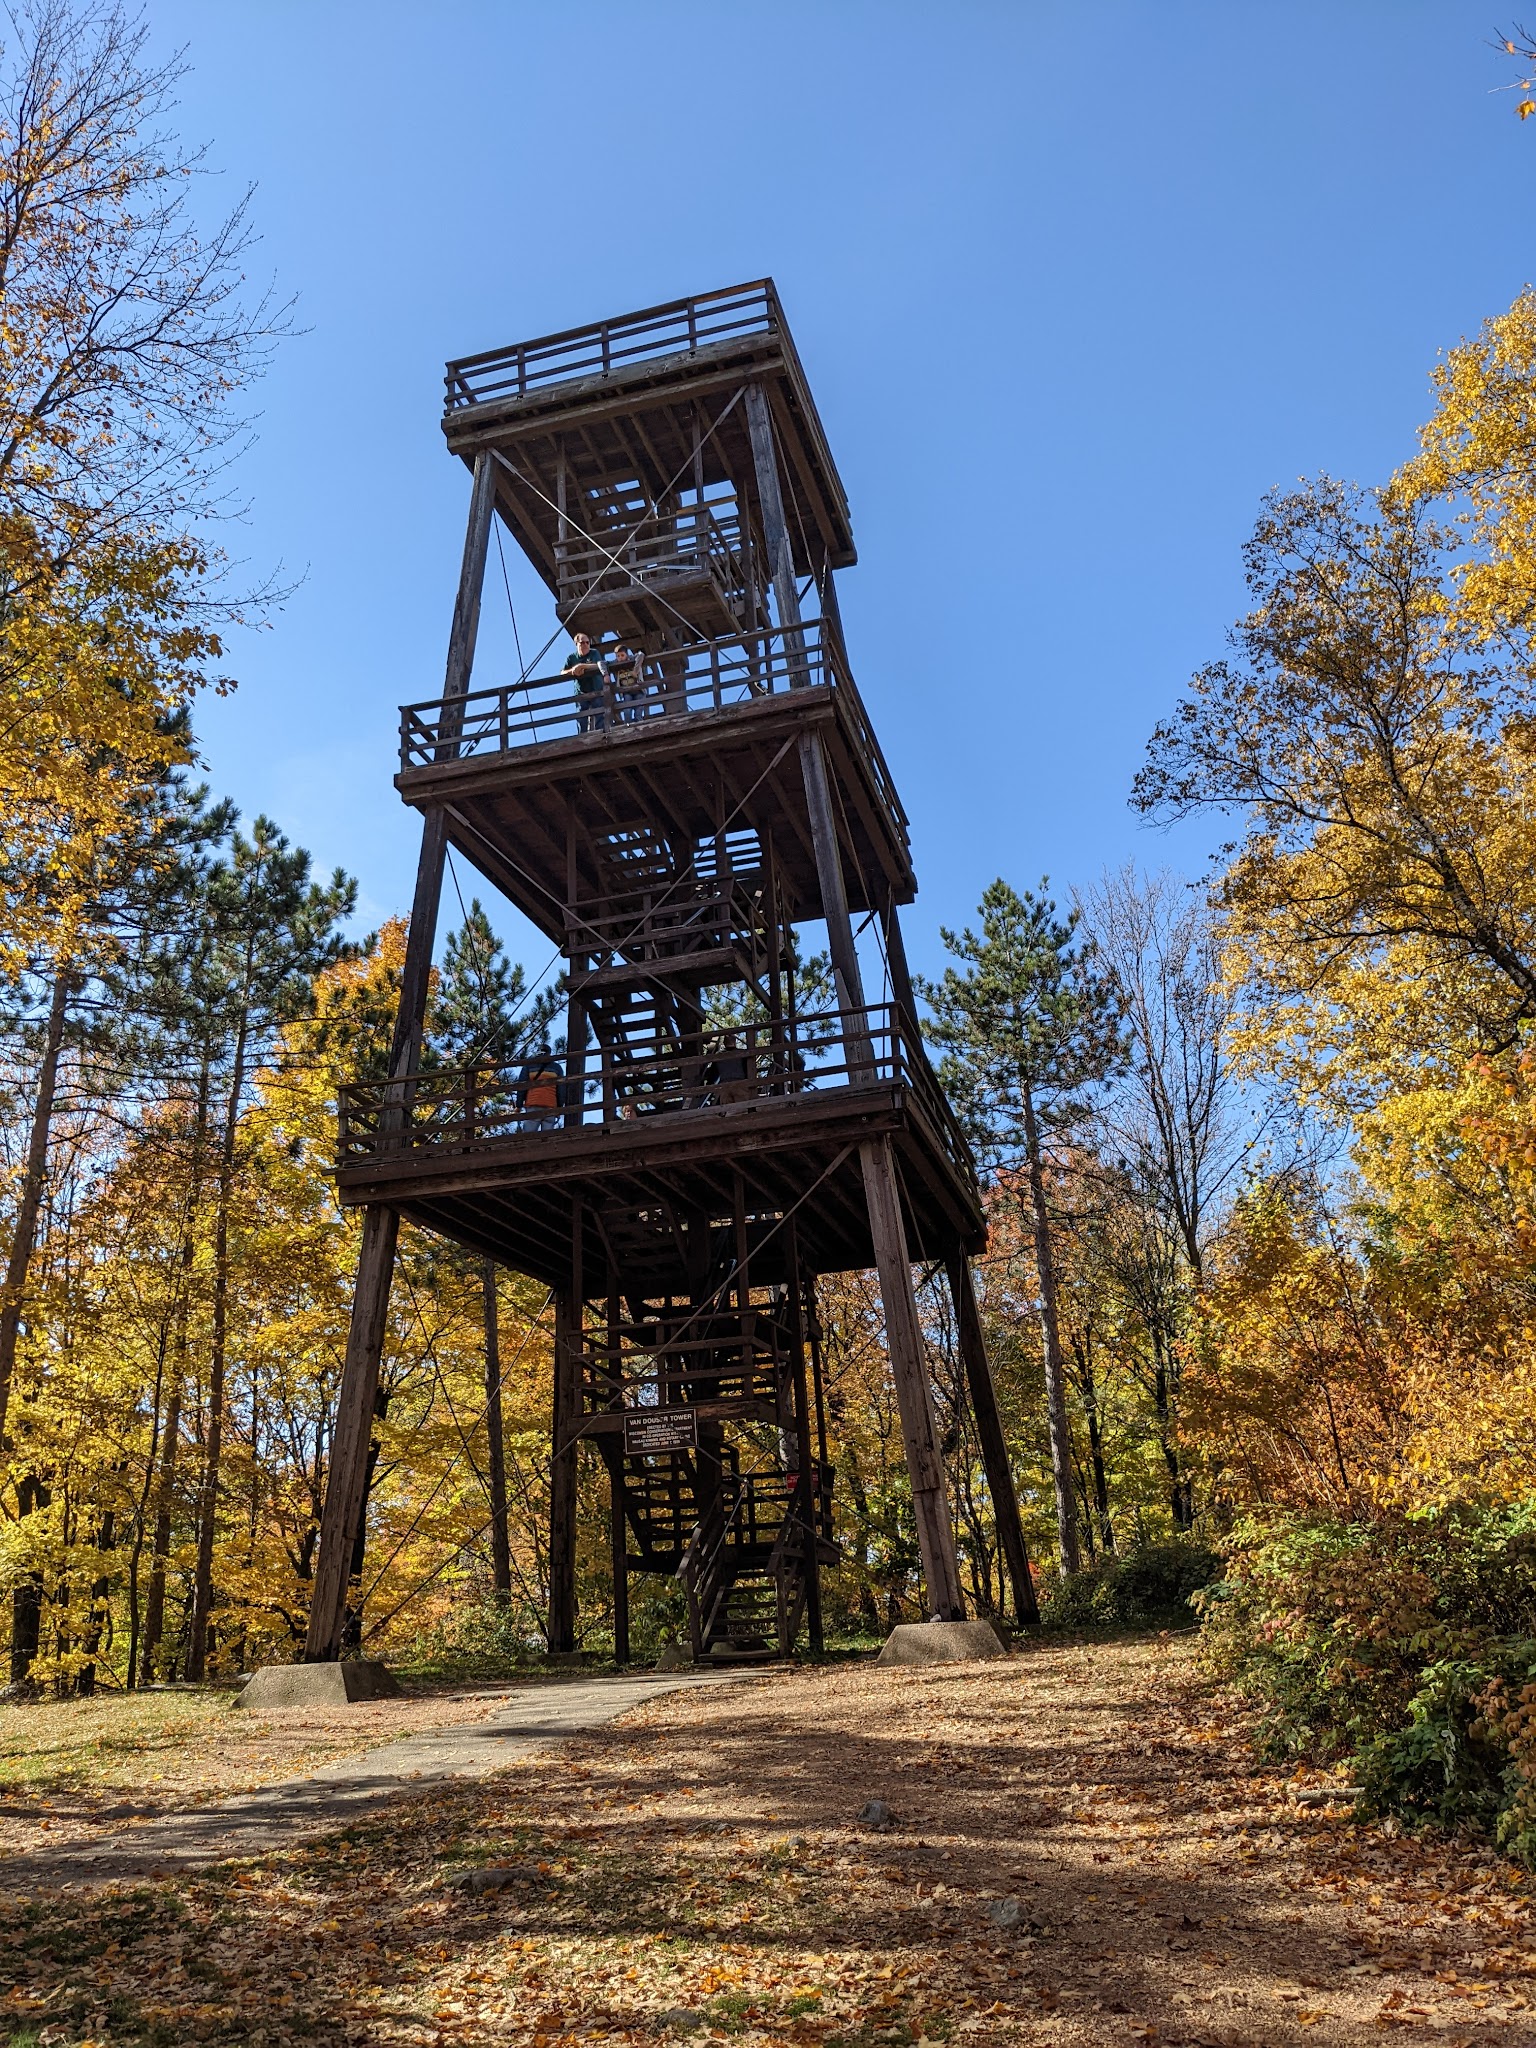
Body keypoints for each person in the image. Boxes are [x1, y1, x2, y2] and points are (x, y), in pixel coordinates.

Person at [562, 631, 605, 733]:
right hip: (581, 692)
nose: (585, 645)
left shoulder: (594, 653)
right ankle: (582, 737)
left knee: (599, 714)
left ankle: (601, 734)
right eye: (582, 643)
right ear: (576, 644)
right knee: (581, 717)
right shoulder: (571, 658)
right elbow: (562, 672)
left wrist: (582, 666)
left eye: (587, 642)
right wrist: (572, 671)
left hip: (596, 689)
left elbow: (598, 665)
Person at [515, 1044, 565, 1131]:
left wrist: (519, 1105)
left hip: (533, 1103)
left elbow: (522, 1086)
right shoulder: (557, 1068)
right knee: (547, 1138)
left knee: (528, 1136)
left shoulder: (529, 1065)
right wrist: (559, 1107)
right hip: (550, 1105)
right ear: (549, 1053)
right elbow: (561, 1089)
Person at [608, 640, 647, 723]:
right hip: (626, 692)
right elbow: (602, 663)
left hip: (638, 690)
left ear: (627, 654)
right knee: (627, 711)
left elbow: (641, 654)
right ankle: (628, 725)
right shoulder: (616, 664)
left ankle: (639, 725)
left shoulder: (632, 659)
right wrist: (605, 674)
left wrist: (635, 671)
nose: (620, 658)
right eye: (618, 656)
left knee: (638, 712)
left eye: (622, 655)